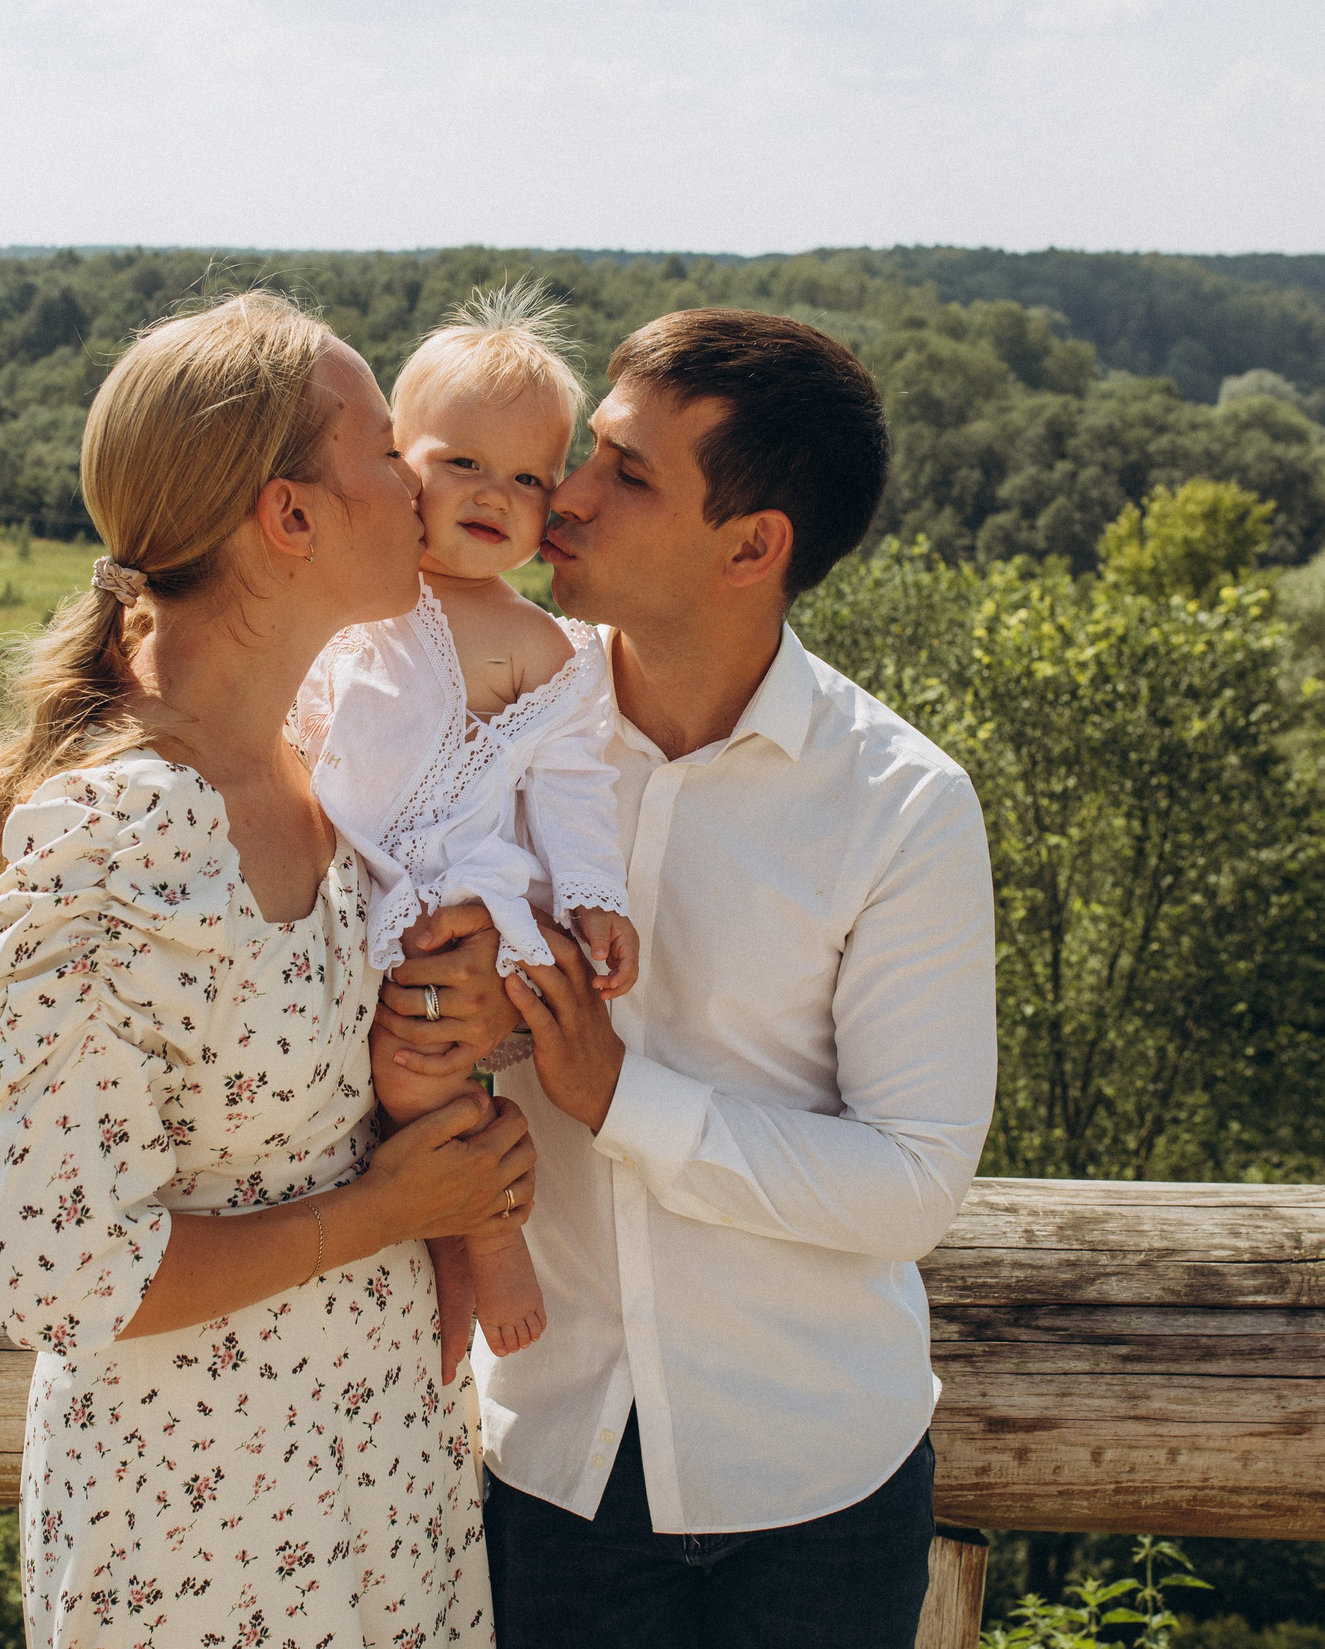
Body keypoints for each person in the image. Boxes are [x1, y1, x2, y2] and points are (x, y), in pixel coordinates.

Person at [0, 290, 534, 1649]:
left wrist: (473, 1025)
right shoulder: (122, 827)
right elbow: (62, 1273)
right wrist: (389, 1210)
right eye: (389, 450)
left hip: (382, 1484)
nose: (420, 481)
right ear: (291, 515)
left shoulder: (331, 760)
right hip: (205, 1541)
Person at [474, 309, 1000, 1647]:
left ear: (753, 544)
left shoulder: (902, 806)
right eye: (588, 450)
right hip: (543, 1468)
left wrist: (619, 1097)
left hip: (819, 1494)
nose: (565, 498)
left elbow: (914, 1180)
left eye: (628, 473)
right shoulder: (488, 736)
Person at [294, 282, 637, 1364]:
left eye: (530, 477)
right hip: (339, 883)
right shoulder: (357, 598)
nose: (498, 494)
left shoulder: (541, 645)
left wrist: (592, 893)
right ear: (398, 467)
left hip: (449, 893)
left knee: (418, 1068)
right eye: (463, 464)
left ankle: (478, 1236)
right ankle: (436, 1215)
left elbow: (575, 782)